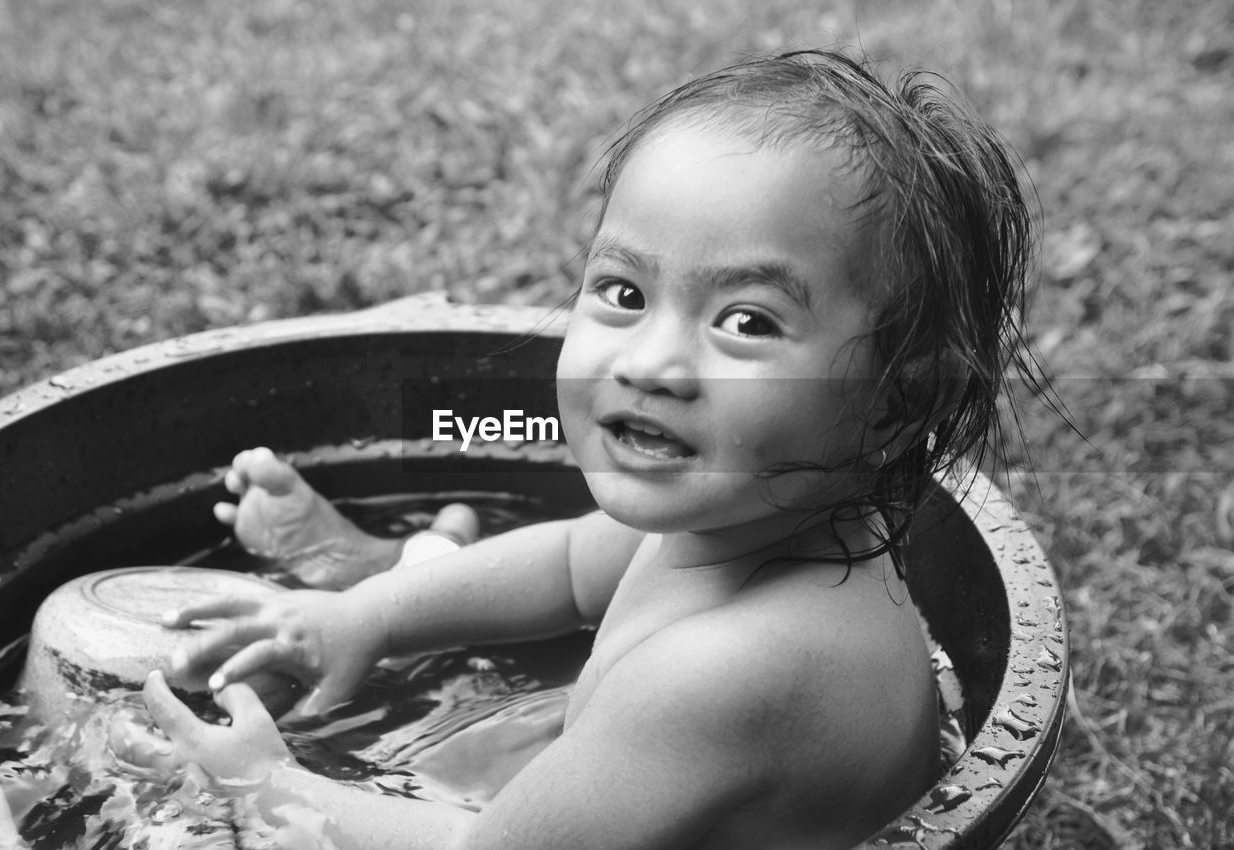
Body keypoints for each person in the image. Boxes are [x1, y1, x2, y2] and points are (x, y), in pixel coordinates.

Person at [133, 48, 1039, 849]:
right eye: (623, 291)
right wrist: (366, 619)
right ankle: (380, 567)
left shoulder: (739, 669)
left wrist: (266, 784)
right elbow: (569, 565)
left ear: (895, 402)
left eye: (747, 320)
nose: (650, 363)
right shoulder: (764, 515)